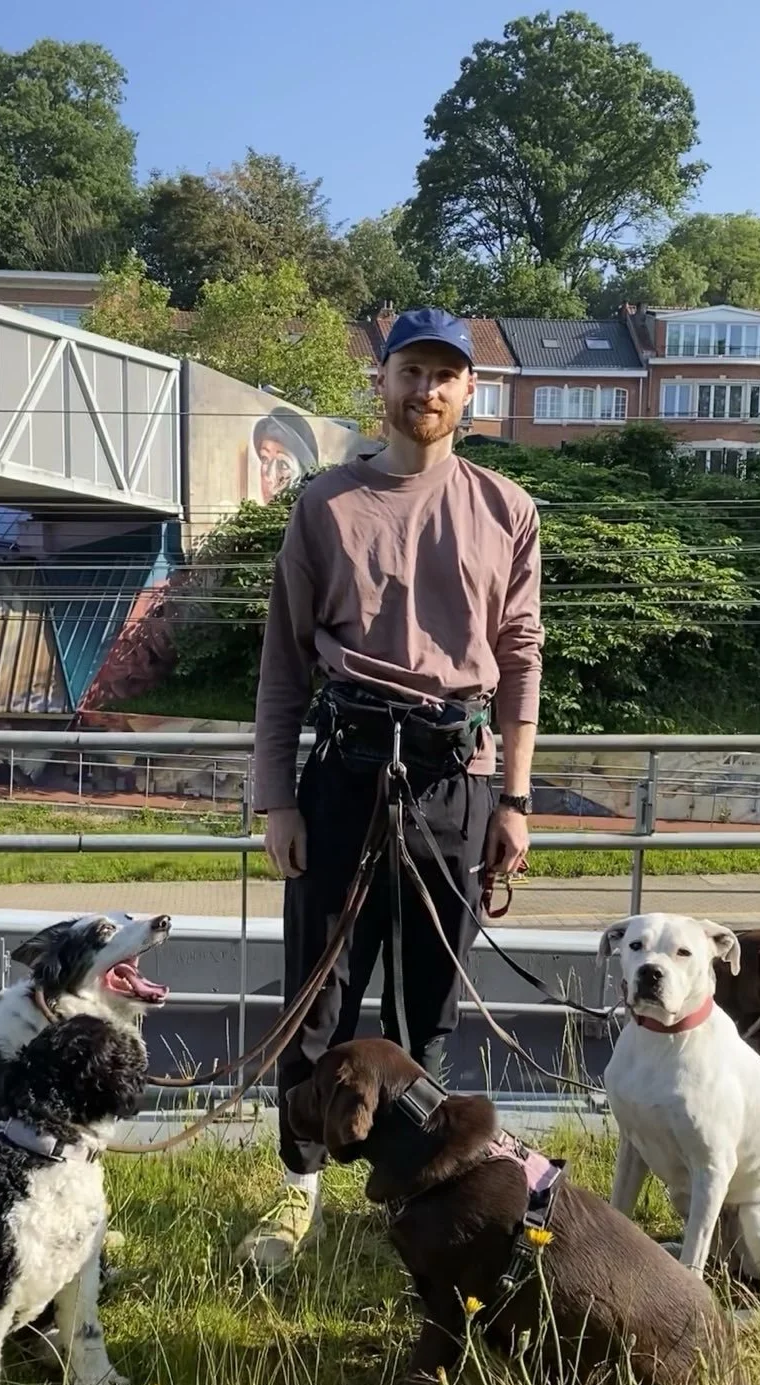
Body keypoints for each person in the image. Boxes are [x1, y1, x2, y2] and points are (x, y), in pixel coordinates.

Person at [236, 308, 543, 1272]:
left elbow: (522, 662)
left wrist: (517, 803)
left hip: (458, 784)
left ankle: (416, 1191)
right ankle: (298, 1192)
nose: (428, 390)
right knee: (318, 1000)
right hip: (344, 777)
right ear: (382, 381)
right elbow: (283, 665)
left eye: (448, 375)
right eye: (411, 370)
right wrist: (277, 798)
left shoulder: (507, 508)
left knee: (429, 1006)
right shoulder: (323, 505)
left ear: (469, 393)